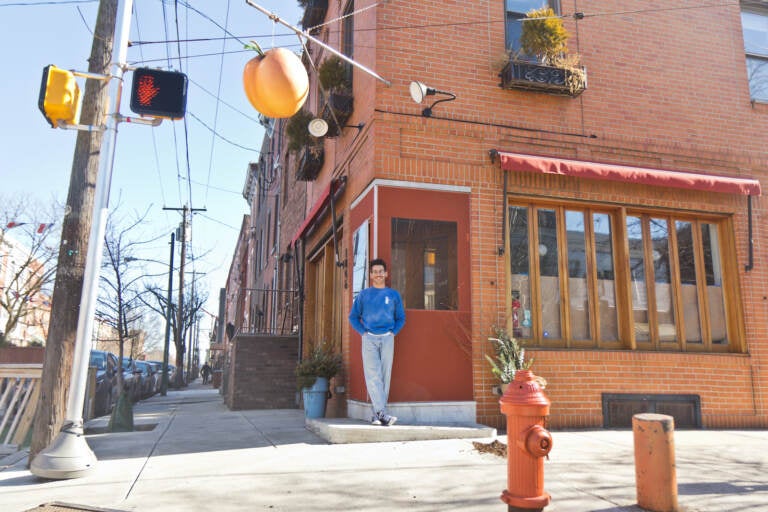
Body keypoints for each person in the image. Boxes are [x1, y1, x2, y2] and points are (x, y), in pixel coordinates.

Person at [348, 258, 406, 426]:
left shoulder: (393, 295)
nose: (378, 274)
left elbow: (401, 318)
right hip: (369, 339)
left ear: (386, 273)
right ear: (371, 275)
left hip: (387, 337)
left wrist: (392, 333)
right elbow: (353, 317)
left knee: (384, 376)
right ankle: (382, 413)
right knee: (373, 375)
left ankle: (377, 415)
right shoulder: (364, 295)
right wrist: (363, 333)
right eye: (375, 272)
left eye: (381, 271)